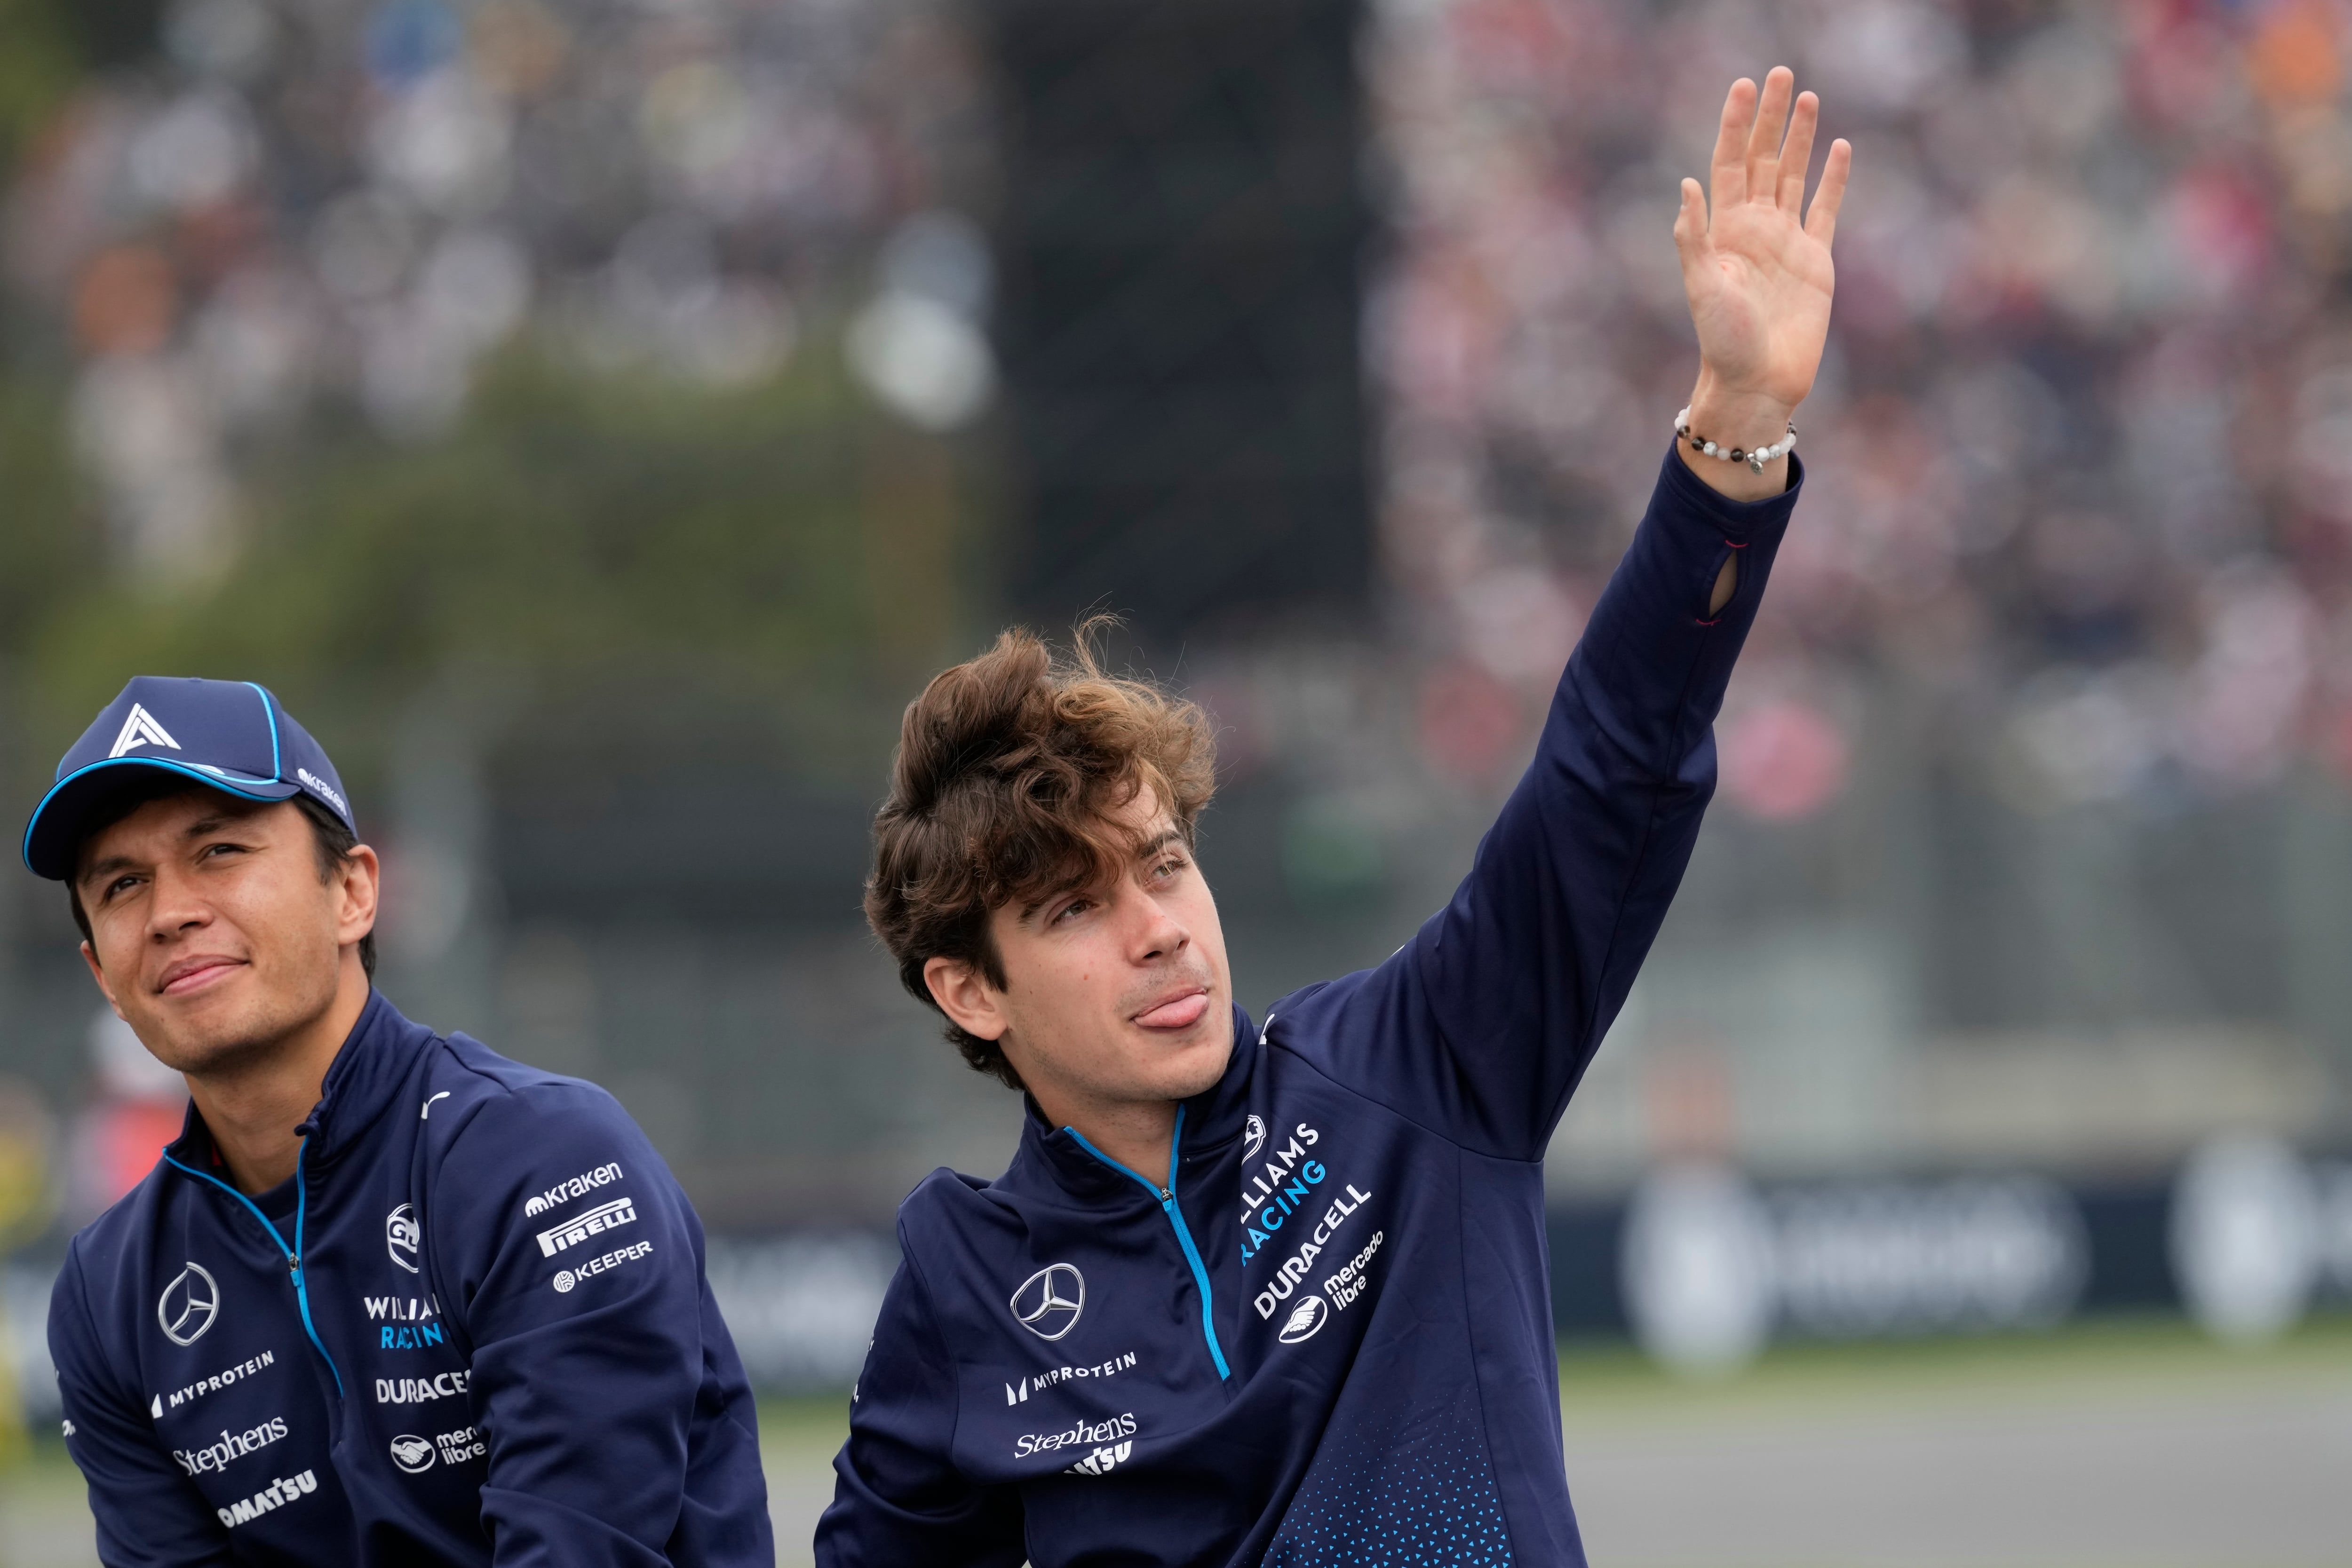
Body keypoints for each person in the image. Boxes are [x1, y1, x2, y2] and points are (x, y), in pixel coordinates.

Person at [818, 67, 1848, 1565]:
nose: (1158, 927)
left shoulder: (1424, 1066)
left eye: (1162, 865)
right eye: (1072, 906)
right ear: (971, 989)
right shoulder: (960, 1285)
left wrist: (1733, 435)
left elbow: (1614, 758)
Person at [26, 677, 773, 1564]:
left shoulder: (541, 1159)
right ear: (102, 974)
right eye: (122, 884)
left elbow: (576, 1548)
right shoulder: (109, 1288)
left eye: (221, 850)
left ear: (353, 892)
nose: (171, 912)